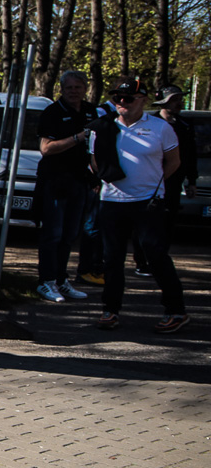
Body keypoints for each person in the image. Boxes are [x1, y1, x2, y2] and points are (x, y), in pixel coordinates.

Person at [90, 76, 186, 333]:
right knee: (112, 258)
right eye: (117, 98)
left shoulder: (160, 128)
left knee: (155, 255)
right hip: (112, 200)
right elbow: (94, 161)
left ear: (143, 100)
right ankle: (110, 310)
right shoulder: (102, 127)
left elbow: (174, 161)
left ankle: (176, 310)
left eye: (128, 98)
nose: (122, 102)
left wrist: (154, 184)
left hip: (147, 202)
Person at [34, 70, 100, 303]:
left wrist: (97, 177)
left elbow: (95, 147)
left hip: (80, 181)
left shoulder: (91, 111)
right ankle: (46, 281)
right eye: (69, 88)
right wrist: (77, 137)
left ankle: (61, 279)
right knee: (53, 233)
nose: (73, 92)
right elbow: (46, 148)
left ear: (85, 88)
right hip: (55, 181)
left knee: (70, 235)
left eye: (78, 87)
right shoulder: (53, 112)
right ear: (61, 89)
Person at [155, 85, 199, 238]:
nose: (179, 103)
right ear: (163, 102)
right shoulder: (151, 123)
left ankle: (161, 251)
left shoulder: (185, 125)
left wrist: (192, 181)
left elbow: (190, 154)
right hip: (151, 181)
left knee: (168, 223)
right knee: (149, 221)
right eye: (174, 100)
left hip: (174, 182)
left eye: (180, 99)